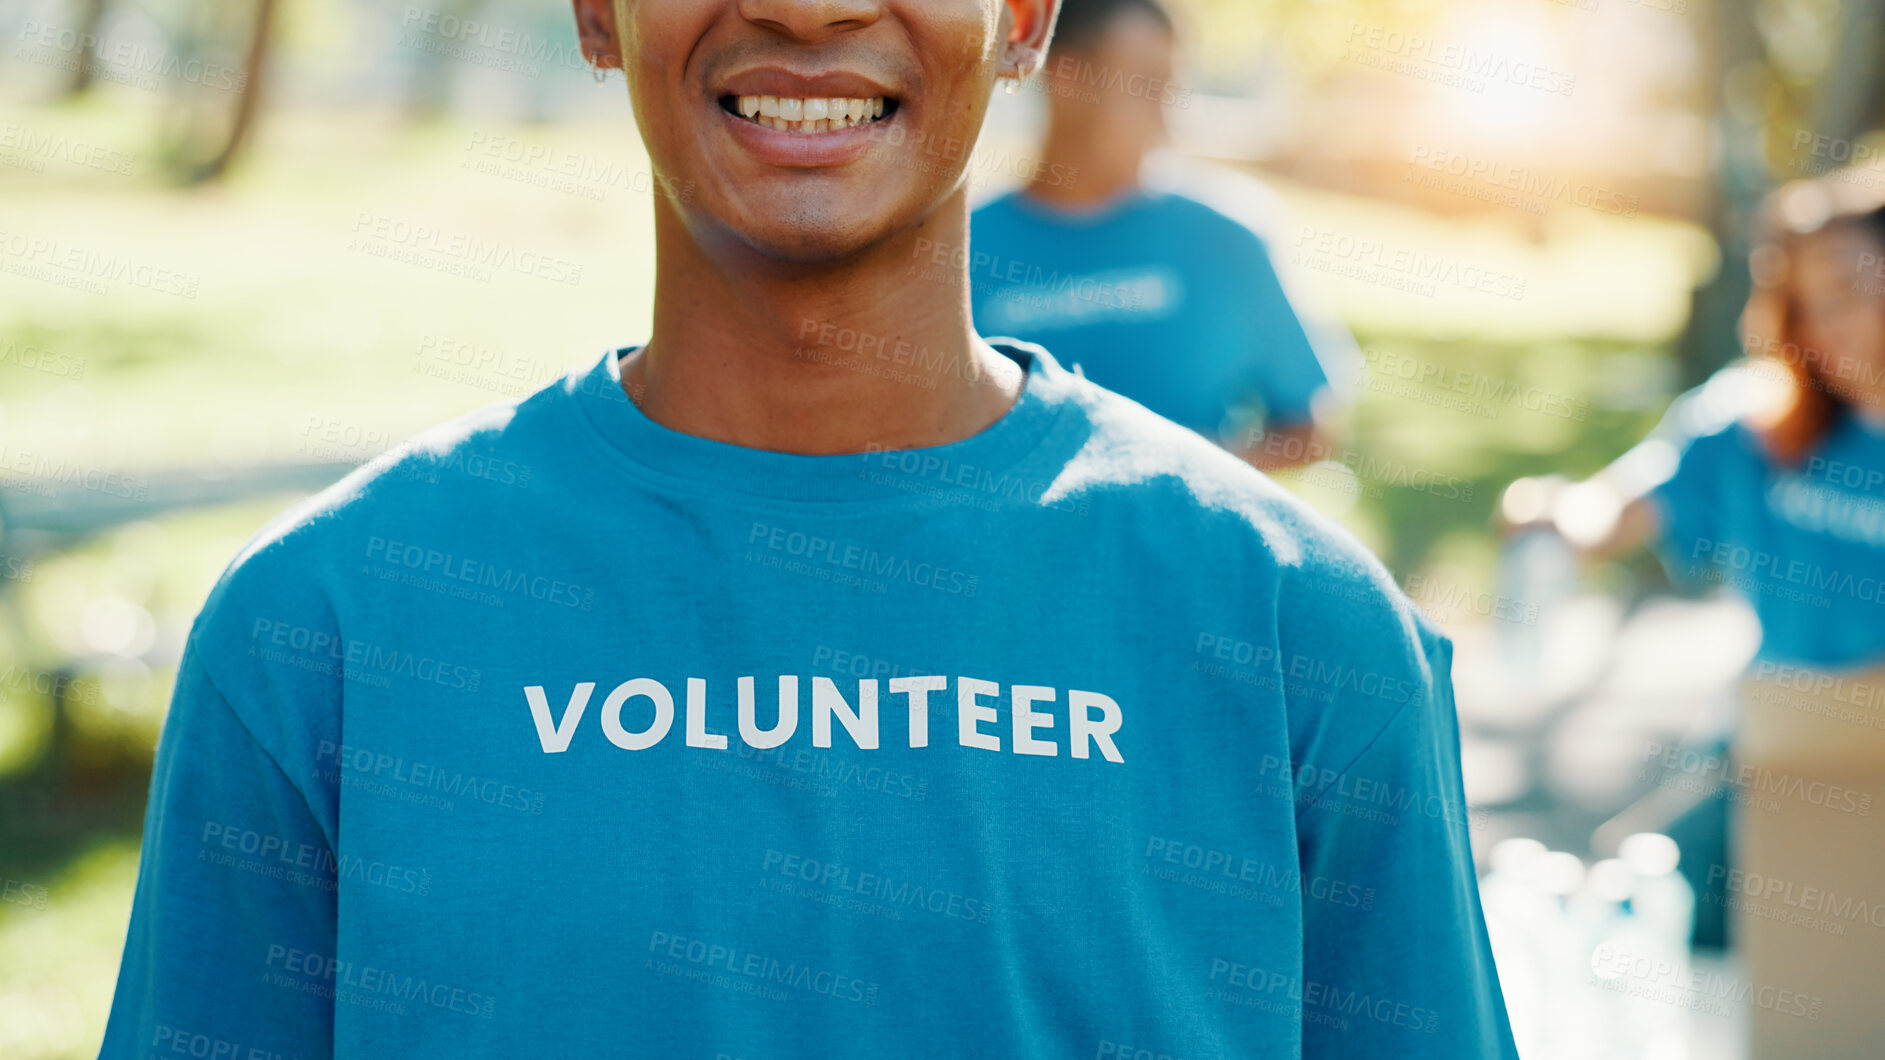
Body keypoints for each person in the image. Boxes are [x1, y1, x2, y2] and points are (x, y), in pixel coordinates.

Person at [100, 1, 1516, 1056]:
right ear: (597, 12)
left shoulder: (1300, 630)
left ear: (1023, 18)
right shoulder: (326, 625)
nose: (807, 6)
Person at [1505, 173, 1885, 669]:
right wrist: (1555, 516)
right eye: (1803, 304)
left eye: (1845, 291)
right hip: (1773, 713)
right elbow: (1626, 504)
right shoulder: (1753, 420)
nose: (1826, 324)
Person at [968, 0, 1356, 471]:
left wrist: (1175, 476)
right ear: (1065, 77)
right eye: (1147, 86)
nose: (1168, 118)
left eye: (1171, 88)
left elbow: (1308, 426)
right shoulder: (957, 246)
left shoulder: (1226, 239)